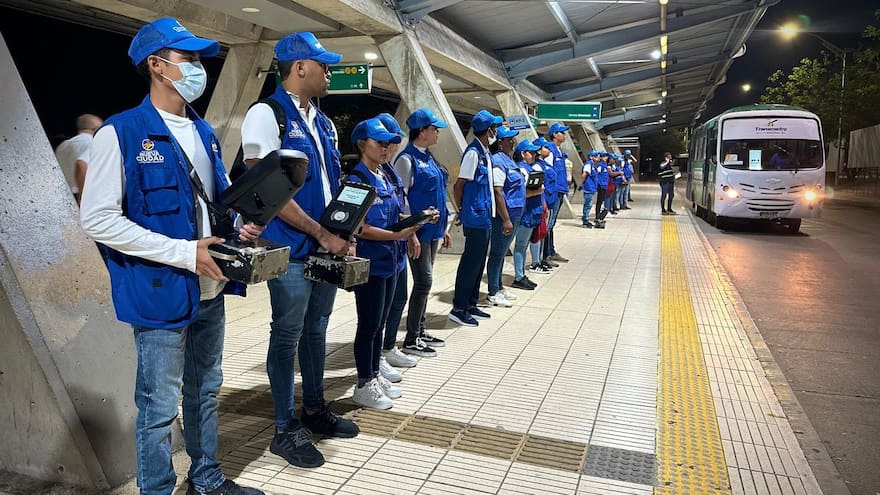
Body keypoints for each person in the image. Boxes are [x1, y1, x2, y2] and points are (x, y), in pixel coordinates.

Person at [79, 18, 264, 495]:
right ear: (157, 66)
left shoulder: (203, 132)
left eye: (201, 58)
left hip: (212, 286)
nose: (199, 67)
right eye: (190, 59)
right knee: (159, 407)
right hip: (161, 293)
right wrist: (182, 252)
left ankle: (206, 479)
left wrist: (238, 224)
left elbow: (213, 203)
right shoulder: (120, 133)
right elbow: (97, 220)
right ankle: (157, 489)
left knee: (204, 392)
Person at [240, 31, 359, 469]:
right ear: (299, 67)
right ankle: (284, 427)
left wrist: (346, 228)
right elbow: (267, 189)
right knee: (287, 334)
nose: (330, 73)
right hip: (292, 249)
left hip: (326, 246)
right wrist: (321, 233)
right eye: (323, 65)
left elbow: (331, 184)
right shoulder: (266, 114)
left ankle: (314, 408)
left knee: (316, 330)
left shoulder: (323, 121)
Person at [346, 118, 424, 410]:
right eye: (380, 143)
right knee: (368, 325)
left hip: (391, 260)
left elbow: (393, 214)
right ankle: (363, 384)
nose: (386, 148)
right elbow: (359, 227)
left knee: (379, 324)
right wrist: (397, 234)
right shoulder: (358, 179)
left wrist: (412, 224)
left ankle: (374, 374)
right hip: (371, 262)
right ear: (362, 143)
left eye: (388, 143)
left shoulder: (383, 175)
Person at [395, 108, 452, 356]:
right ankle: (411, 338)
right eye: (434, 128)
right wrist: (411, 233)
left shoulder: (429, 158)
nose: (437, 132)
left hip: (434, 230)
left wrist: (444, 228)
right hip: (417, 232)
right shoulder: (406, 160)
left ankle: (420, 329)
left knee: (426, 284)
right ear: (422, 131)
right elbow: (402, 200)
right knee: (423, 282)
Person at [374, 113, 419, 375]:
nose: (391, 147)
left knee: (398, 298)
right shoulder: (367, 174)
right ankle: (377, 356)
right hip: (381, 251)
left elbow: (400, 206)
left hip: (396, 249)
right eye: (386, 142)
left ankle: (389, 347)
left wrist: (411, 231)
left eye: (393, 141)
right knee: (377, 312)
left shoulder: (388, 170)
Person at [448, 110, 501, 327]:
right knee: (471, 262)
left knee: (479, 262)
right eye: (494, 128)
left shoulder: (485, 153)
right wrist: (462, 209)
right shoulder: (472, 154)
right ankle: (459, 307)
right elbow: (459, 185)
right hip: (475, 216)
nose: (495, 131)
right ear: (488, 130)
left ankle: (471, 303)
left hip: (485, 215)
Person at [486, 125, 522, 307]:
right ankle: (493, 291)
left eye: (512, 139)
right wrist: (506, 219)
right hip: (504, 216)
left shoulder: (509, 160)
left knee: (501, 254)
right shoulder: (498, 161)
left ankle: (499, 286)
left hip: (514, 213)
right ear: (500, 143)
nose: (512, 142)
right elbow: (498, 192)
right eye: (509, 139)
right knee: (497, 253)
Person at [510, 139, 543, 290]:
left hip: (532, 211)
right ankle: (518, 277)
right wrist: (538, 191)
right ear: (523, 154)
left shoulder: (529, 169)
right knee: (520, 245)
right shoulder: (521, 170)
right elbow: (523, 193)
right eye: (531, 152)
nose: (534, 155)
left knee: (523, 246)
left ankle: (521, 274)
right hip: (526, 212)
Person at [55, 113, 102, 205]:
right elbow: (81, 164)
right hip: (82, 196)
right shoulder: (93, 142)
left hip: (63, 197)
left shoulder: (62, 146)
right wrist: (84, 197)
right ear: (95, 128)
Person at [543, 123, 571, 264]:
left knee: (552, 224)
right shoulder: (550, 150)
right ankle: (545, 256)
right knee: (548, 224)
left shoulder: (559, 151)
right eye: (562, 132)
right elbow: (547, 173)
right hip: (553, 193)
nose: (564, 135)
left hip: (560, 190)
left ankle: (551, 251)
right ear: (555, 134)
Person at [581, 150, 599, 227]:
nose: (598, 158)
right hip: (588, 188)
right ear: (591, 157)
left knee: (589, 204)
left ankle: (586, 219)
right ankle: (585, 220)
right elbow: (584, 175)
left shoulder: (593, 165)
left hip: (592, 188)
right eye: (596, 156)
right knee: (588, 204)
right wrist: (582, 184)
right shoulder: (588, 165)